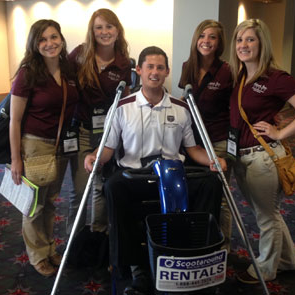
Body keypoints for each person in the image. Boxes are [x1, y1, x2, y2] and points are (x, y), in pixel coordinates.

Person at [84, 46, 226, 294]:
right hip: (135, 176)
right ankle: (133, 266)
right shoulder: (122, 107)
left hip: (173, 176)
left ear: (167, 71)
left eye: (160, 67)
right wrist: (94, 157)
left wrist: (214, 159)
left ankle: (196, 253)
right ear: (138, 70)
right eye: (149, 66)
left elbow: (192, 149)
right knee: (113, 187)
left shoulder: (180, 108)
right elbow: (108, 148)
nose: (155, 72)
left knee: (210, 183)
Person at [228, 19, 295, 284]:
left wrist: (280, 132)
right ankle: (291, 260)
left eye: (250, 39)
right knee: (268, 213)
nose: (243, 45)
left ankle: (266, 268)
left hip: (262, 157)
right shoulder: (242, 75)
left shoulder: (276, 78)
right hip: (242, 156)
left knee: (267, 217)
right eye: (239, 40)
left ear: (262, 43)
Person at [9, 19, 79, 277]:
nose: (49, 43)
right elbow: (15, 121)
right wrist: (16, 159)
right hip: (36, 145)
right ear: (35, 45)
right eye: (42, 40)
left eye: (53, 37)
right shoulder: (28, 73)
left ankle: (49, 248)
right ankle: (37, 254)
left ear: (61, 39)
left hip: (61, 146)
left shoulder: (68, 68)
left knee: (50, 201)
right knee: (35, 204)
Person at [67, 8, 131, 235]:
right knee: (80, 188)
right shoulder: (79, 55)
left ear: (117, 30)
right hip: (83, 130)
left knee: (103, 187)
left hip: (109, 133)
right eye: (99, 27)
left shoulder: (124, 63)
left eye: (109, 26)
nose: (104, 32)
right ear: (92, 32)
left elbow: (124, 100)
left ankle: (99, 236)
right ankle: (75, 239)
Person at [178, 19, 233, 252]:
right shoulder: (187, 66)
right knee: (195, 192)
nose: (206, 41)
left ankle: (223, 247)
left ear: (219, 43)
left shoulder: (227, 70)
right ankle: (197, 241)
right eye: (203, 36)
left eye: (212, 37)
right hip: (192, 142)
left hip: (217, 141)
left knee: (221, 196)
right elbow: (186, 100)